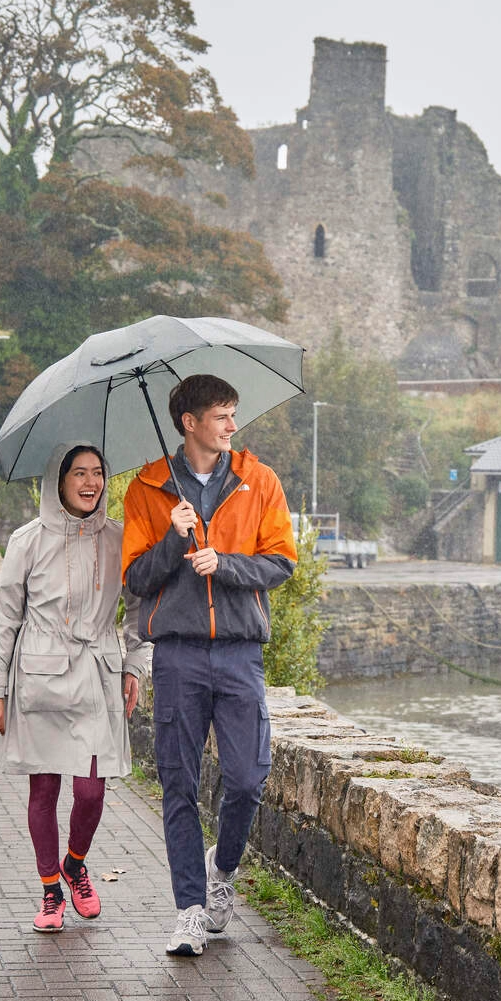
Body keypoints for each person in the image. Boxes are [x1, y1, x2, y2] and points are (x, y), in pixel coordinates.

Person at [121, 373, 296, 956]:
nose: (231, 426)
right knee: (179, 783)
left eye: (233, 414)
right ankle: (190, 911)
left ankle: (223, 873)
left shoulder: (258, 480)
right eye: (221, 415)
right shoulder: (149, 490)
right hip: (178, 654)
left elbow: (281, 564)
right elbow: (136, 581)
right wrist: (172, 541)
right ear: (189, 422)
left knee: (247, 779)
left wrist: (224, 564)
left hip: (241, 652)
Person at [0, 443, 150, 932]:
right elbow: (5, 617)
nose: (90, 482)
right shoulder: (27, 541)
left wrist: (135, 666)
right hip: (40, 674)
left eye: (98, 472)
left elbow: (140, 609)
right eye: (79, 473)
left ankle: (76, 864)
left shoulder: (120, 538)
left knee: (92, 791)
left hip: (98, 675)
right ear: (59, 480)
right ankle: (51, 889)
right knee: (45, 787)